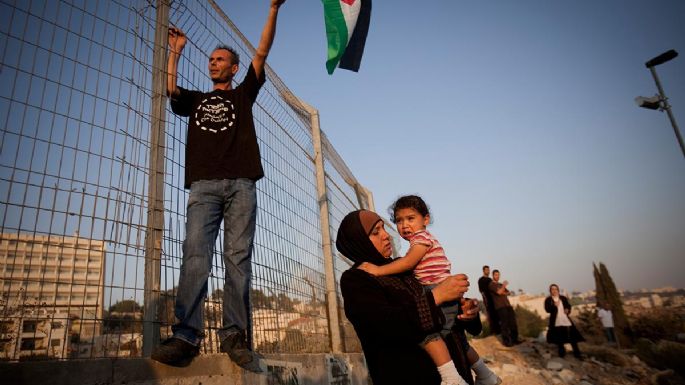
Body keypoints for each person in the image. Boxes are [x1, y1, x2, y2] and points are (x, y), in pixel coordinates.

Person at [151, 0, 286, 370]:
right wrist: (173, 52)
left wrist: (273, 9)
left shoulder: (243, 95)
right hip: (204, 187)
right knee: (195, 256)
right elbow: (170, 90)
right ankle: (186, 336)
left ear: (234, 67)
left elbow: (262, 50)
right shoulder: (197, 100)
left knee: (237, 259)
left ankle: (234, 335)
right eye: (211, 59)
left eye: (220, 59)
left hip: (242, 184)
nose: (213, 62)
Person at [358, 196, 500, 385]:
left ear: (425, 220)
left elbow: (407, 263)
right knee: (453, 337)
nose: (403, 225)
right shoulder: (357, 280)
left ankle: (452, 379)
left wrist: (377, 270)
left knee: (430, 335)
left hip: (436, 288)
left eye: (410, 218)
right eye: (399, 221)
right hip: (438, 293)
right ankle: (485, 374)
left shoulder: (420, 241)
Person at [544, 284, 584, 359]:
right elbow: (547, 309)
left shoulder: (563, 298)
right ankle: (562, 353)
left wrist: (567, 310)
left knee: (573, 337)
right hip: (556, 321)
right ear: (550, 291)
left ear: (558, 290)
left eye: (556, 289)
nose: (554, 291)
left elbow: (568, 306)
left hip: (565, 319)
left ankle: (577, 354)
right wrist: (554, 306)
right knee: (560, 338)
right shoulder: (548, 300)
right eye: (552, 289)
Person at [488, 269, 519, 347]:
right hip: (500, 307)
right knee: (504, 324)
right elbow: (499, 292)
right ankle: (506, 342)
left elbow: (507, 292)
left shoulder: (500, 284)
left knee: (513, 323)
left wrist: (502, 290)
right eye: (496, 275)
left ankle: (515, 339)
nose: (497, 276)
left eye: (498, 275)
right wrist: (504, 286)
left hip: (507, 305)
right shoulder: (491, 285)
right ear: (493, 275)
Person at [477, 265, 500, 335]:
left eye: (488, 270)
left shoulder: (490, 280)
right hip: (487, 300)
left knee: (496, 315)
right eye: (486, 270)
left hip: (494, 300)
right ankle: (493, 332)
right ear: (483, 271)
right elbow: (481, 291)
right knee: (490, 315)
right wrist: (485, 300)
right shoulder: (481, 280)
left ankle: (498, 330)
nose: (488, 271)